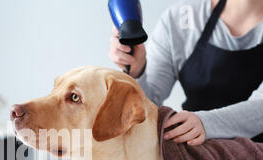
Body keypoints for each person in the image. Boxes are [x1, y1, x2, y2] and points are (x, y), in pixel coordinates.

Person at [109, 0, 263, 145]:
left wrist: (206, 123)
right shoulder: (179, 20)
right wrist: (137, 71)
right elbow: (148, 105)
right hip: (195, 152)